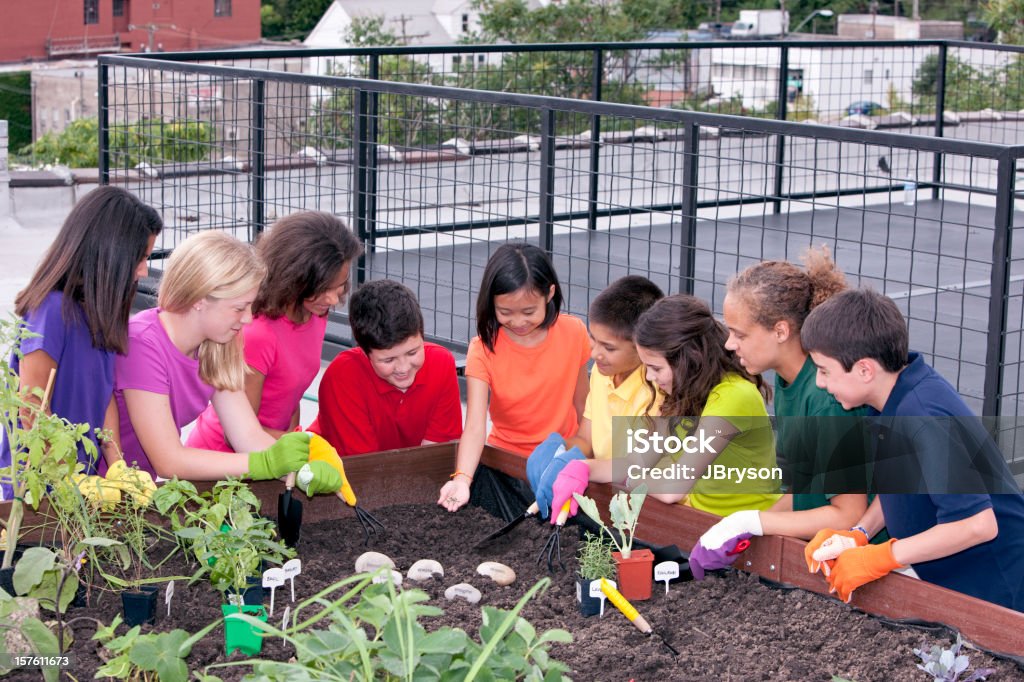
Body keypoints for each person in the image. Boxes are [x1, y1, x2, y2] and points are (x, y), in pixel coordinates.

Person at [800, 288, 1024, 611]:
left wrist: (883, 556)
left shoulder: (921, 415)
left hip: (1002, 594)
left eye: (824, 371)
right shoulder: (892, 396)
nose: (820, 383)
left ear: (864, 370)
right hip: (963, 588)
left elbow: (977, 524)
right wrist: (858, 533)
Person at [690, 249, 874, 573]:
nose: (730, 344)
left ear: (780, 331)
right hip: (820, 551)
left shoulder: (826, 400)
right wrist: (749, 525)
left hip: (860, 563)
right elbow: (807, 490)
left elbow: (849, 513)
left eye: (740, 334)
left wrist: (754, 521)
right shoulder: (790, 381)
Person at [114, 231, 341, 492]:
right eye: (239, 307)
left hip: (139, 487)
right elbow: (169, 460)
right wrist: (263, 464)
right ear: (200, 299)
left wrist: (304, 471)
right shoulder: (143, 343)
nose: (247, 318)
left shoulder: (217, 344)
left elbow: (247, 435)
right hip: (97, 490)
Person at [547, 294, 781, 521]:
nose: (650, 377)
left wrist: (629, 479)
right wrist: (582, 467)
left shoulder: (733, 397)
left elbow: (673, 488)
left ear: (689, 359)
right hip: (704, 520)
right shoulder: (685, 395)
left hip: (749, 532)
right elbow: (636, 462)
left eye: (656, 368)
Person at [1, 186, 162, 493]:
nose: (143, 271)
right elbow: (32, 407)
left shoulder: (100, 311)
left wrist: (117, 467)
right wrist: (68, 479)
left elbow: (103, 400)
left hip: (82, 485)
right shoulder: (49, 311)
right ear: (107, 253)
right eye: (139, 258)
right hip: (38, 493)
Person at [186, 212, 361, 451]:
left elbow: (290, 396)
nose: (333, 298)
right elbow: (238, 433)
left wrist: (294, 440)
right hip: (226, 461)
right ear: (293, 278)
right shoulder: (258, 334)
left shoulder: (314, 310)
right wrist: (305, 447)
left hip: (273, 448)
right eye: (322, 289)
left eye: (340, 285)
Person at [438, 242, 590, 512]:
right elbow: (474, 426)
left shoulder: (574, 332)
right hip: (507, 462)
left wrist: (587, 456)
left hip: (561, 458)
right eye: (505, 312)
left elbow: (584, 405)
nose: (518, 322)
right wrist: (462, 479)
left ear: (550, 294)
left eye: (529, 312)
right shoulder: (483, 348)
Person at [528, 276, 665, 520]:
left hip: (642, 510)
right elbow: (586, 439)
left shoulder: (657, 391)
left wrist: (581, 467)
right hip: (604, 497)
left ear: (643, 346)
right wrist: (559, 450)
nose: (595, 354)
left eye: (609, 348)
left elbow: (641, 466)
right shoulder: (603, 376)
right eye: (593, 339)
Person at [310, 279, 462, 455]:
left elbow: (436, 452)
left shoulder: (441, 363)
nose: (403, 368)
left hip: (405, 470)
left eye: (412, 352)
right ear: (366, 354)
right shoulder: (342, 377)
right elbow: (361, 465)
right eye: (388, 360)